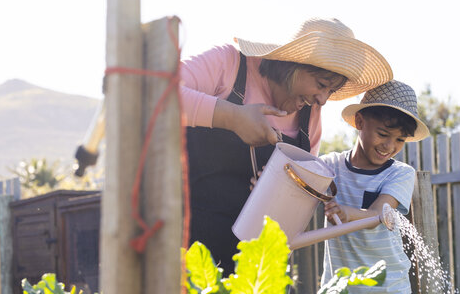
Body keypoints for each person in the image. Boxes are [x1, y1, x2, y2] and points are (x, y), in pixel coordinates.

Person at [180, 18, 393, 274]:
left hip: (260, 268)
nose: (323, 100)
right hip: (188, 254)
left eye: (331, 90)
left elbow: (298, 199)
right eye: (322, 85)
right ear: (291, 64)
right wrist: (233, 118)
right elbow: (156, 92)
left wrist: (278, 196)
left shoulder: (309, 116)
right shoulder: (229, 64)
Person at [320, 80, 430, 293]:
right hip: (339, 287)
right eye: (382, 134)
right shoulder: (330, 167)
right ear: (360, 122)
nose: (389, 146)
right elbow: (295, 178)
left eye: (399, 139)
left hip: (389, 287)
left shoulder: (399, 173)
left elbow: (379, 214)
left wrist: (346, 214)